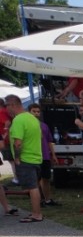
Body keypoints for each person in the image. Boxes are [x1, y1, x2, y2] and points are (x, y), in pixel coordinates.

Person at [5, 94, 44, 223]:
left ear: (12, 105)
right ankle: (36, 212)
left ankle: (36, 214)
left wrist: (17, 158)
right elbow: (40, 137)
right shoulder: (32, 118)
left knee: (32, 187)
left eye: (7, 106)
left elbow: (18, 142)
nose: (6, 110)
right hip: (36, 157)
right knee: (34, 186)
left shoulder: (19, 120)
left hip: (25, 158)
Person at [28, 104, 61, 207]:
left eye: (38, 111)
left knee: (46, 178)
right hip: (33, 156)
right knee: (35, 180)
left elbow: (49, 141)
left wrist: (53, 154)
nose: (37, 113)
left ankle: (47, 199)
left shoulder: (44, 125)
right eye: (34, 111)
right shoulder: (26, 125)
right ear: (29, 112)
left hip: (45, 156)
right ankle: (38, 200)